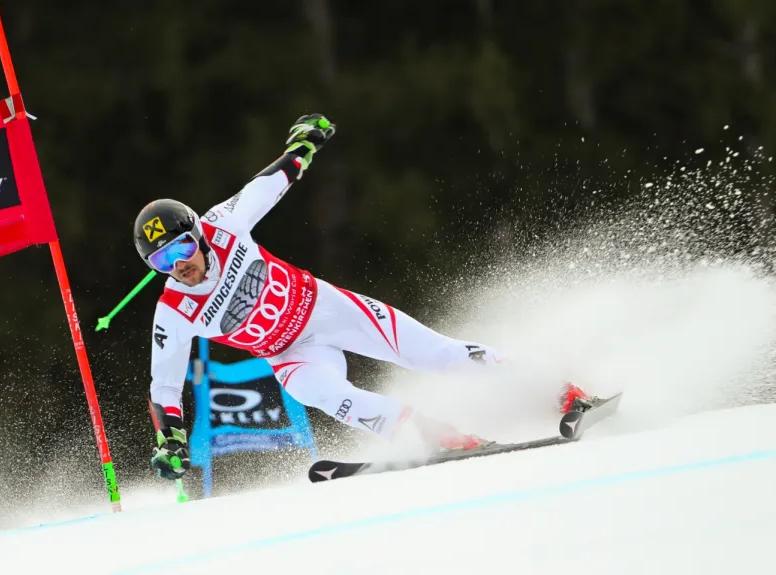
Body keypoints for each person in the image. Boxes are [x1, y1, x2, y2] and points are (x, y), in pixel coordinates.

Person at [135, 114, 591, 480]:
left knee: (436, 354)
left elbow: (269, 184)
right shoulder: (173, 311)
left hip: (329, 310)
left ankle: (562, 391)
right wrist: (170, 440)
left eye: (181, 248)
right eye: (161, 262)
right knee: (326, 393)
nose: (178, 265)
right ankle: (432, 433)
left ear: (198, 235)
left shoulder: (224, 223)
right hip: (291, 353)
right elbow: (165, 385)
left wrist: (304, 144)